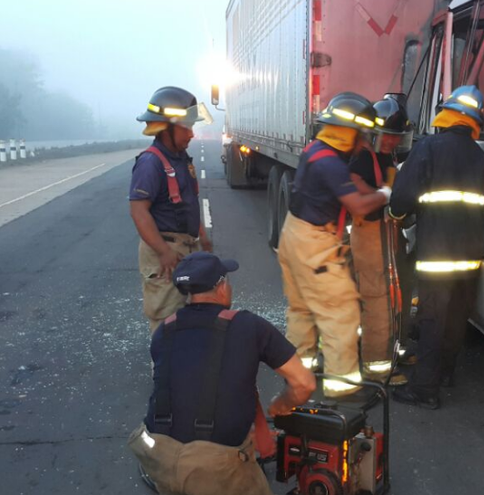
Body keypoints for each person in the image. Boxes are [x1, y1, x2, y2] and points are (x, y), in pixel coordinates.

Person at [128, 252, 316, 495]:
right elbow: (304, 383)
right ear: (221, 287)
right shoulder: (249, 326)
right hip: (212, 467)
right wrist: (280, 405)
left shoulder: (164, 331)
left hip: (158, 455)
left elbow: (187, 385)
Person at [277, 92, 391, 399]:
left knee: (301, 309)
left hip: (294, 233)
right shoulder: (331, 163)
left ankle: (299, 376)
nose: (365, 143)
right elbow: (357, 206)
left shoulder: (315, 149)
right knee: (340, 312)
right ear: (348, 132)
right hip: (314, 243)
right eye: (363, 135)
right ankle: (344, 390)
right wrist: (386, 194)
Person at [389, 86, 484, 410]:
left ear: (447, 114)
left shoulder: (430, 147)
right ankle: (446, 372)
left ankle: (425, 389)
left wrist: (395, 215)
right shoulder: (480, 156)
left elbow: (402, 196)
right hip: (470, 254)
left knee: (432, 318)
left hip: (438, 255)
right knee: (457, 315)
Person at [130, 86, 214, 332]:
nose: (191, 134)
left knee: (191, 316)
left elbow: (187, 203)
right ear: (166, 128)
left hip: (187, 247)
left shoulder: (180, 159)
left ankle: (185, 366)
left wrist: (203, 238)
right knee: (166, 320)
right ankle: (165, 370)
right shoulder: (150, 163)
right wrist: (163, 251)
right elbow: (139, 211)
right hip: (164, 251)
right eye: (186, 127)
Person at [348, 95, 413, 384]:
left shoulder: (388, 156)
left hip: (386, 234)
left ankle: (390, 349)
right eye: (387, 137)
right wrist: (384, 196)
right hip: (369, 235)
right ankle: (375, 368)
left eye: (396, 138)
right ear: (374, 132)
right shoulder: (361, 156)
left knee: (393, 297)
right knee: (376, 299)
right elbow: (359, 193)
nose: (391, 143)